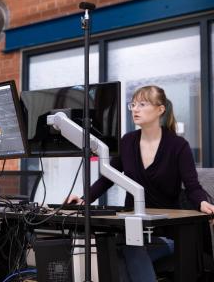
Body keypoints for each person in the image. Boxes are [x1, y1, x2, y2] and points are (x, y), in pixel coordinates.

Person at [67, 85, 214, 281]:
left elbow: (193, 187)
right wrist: (84, 199)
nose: (135, 109)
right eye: (133, 104)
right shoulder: (127, 142)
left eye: (142, 104)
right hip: (132, 228)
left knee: (129, 252)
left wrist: (203, 203)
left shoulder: (178, 146)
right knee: (116, 251)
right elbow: (107, 178)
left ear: (160, 109)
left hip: (165, 233)